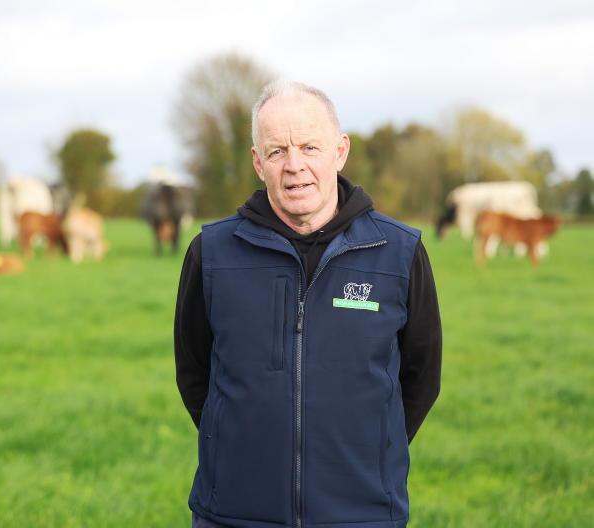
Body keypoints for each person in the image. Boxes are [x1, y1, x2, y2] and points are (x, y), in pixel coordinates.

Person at [174, 80, 442, 528]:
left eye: (309, 147)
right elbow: (194, 373)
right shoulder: (212, 253)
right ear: (258, 163)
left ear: (340, 151)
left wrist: (366, 454)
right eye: (277, 151)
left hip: (362, 515)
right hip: (234, 514)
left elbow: (421, 379)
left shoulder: (399, 252)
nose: (294, 165)